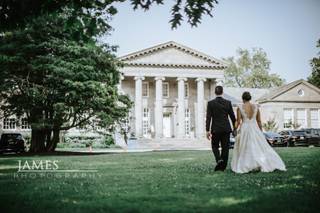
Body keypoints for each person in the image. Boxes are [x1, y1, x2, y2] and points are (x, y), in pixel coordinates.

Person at [231, 91, 286, 173]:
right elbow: (259, 121)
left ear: (243, 99)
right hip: (254, 128)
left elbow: (238, 121)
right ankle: (258, 163)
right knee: (259, 146)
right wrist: (260, 131)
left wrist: (235, 128)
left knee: (245, 147)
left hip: (245, 128)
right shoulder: (256, 107)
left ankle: (247, 165)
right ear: (250, 98)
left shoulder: (240, 107)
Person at [206, 86, 236, 171]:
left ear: (215, 93)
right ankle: (222, 166)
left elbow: (208, 117)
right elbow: (233, 117)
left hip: (215, 129)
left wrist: (207, 130)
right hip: (226, 129)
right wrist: (235, 128)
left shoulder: (210, 103)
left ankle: (219, 159)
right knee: (225, 148)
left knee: (214, 146)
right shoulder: (228, 102)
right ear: (222, 92)